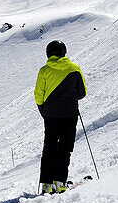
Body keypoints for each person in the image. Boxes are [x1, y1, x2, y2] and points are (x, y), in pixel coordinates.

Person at [34, 40, 87, 194]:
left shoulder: (44, 70)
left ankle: (46, 185)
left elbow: (38, 95)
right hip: (70, 115)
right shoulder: (74, 69)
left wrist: (44, 110)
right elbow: (82, 93)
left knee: (49, 148)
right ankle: (59, 183)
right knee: (64, 149)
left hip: (50, 115)